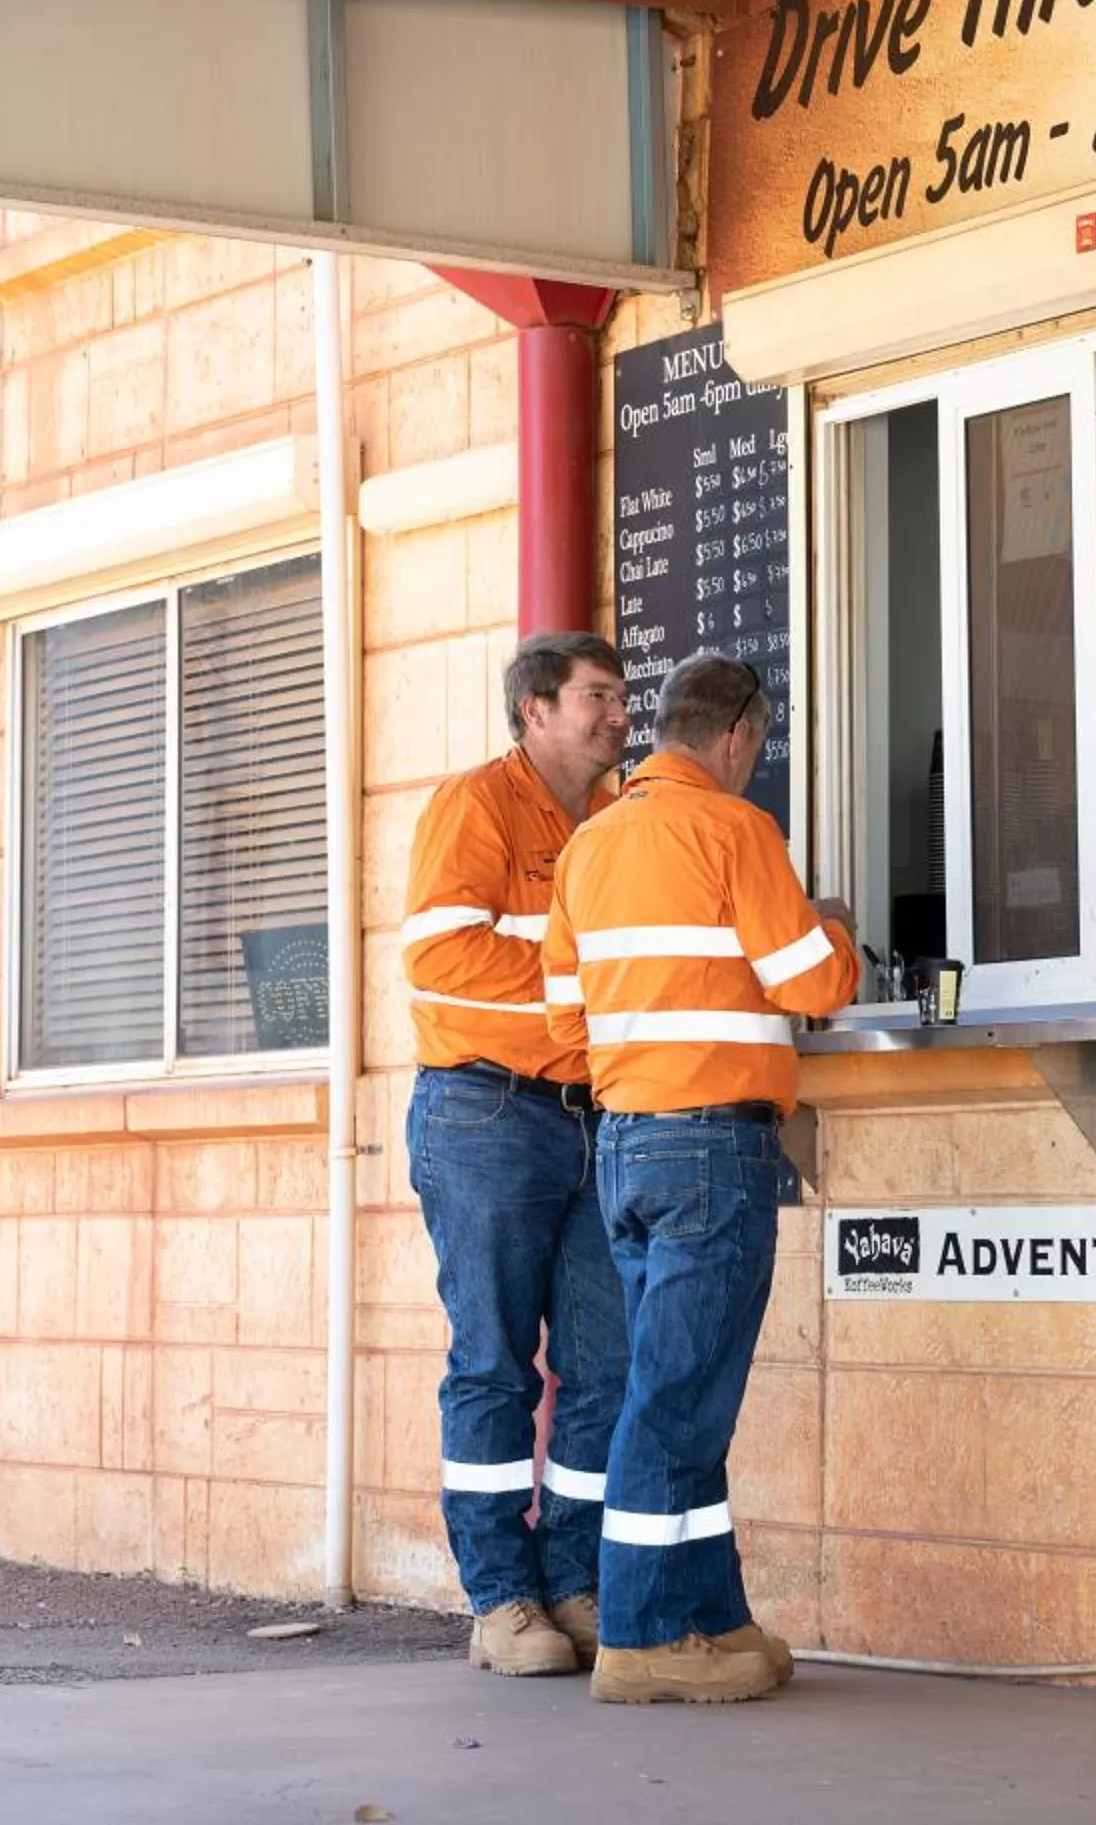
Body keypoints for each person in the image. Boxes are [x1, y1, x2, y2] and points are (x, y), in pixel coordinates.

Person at [543, 651, 858, 1706]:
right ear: (739, 735)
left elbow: (559, 1017)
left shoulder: (588, 846)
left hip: (625, 1140)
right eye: (757, 748)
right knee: (676, 1399)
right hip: (712, 1144)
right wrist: (840, 928)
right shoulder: (734, 830)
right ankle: (636, 1633)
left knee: (686, 1390)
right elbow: (811, 980)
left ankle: (712, 1615)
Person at [401, 631, 635, 1678]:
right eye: (596, 695)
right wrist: (581, 980)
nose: (618, 714)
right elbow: (439, 953)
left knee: (606, 1364)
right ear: (534, 708)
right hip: (487, 1113)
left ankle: (573, 1584)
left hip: (600, 1113)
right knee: (493, 1362)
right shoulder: (478, 804)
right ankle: (499, 1600)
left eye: (622, 696)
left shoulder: (620, 822)